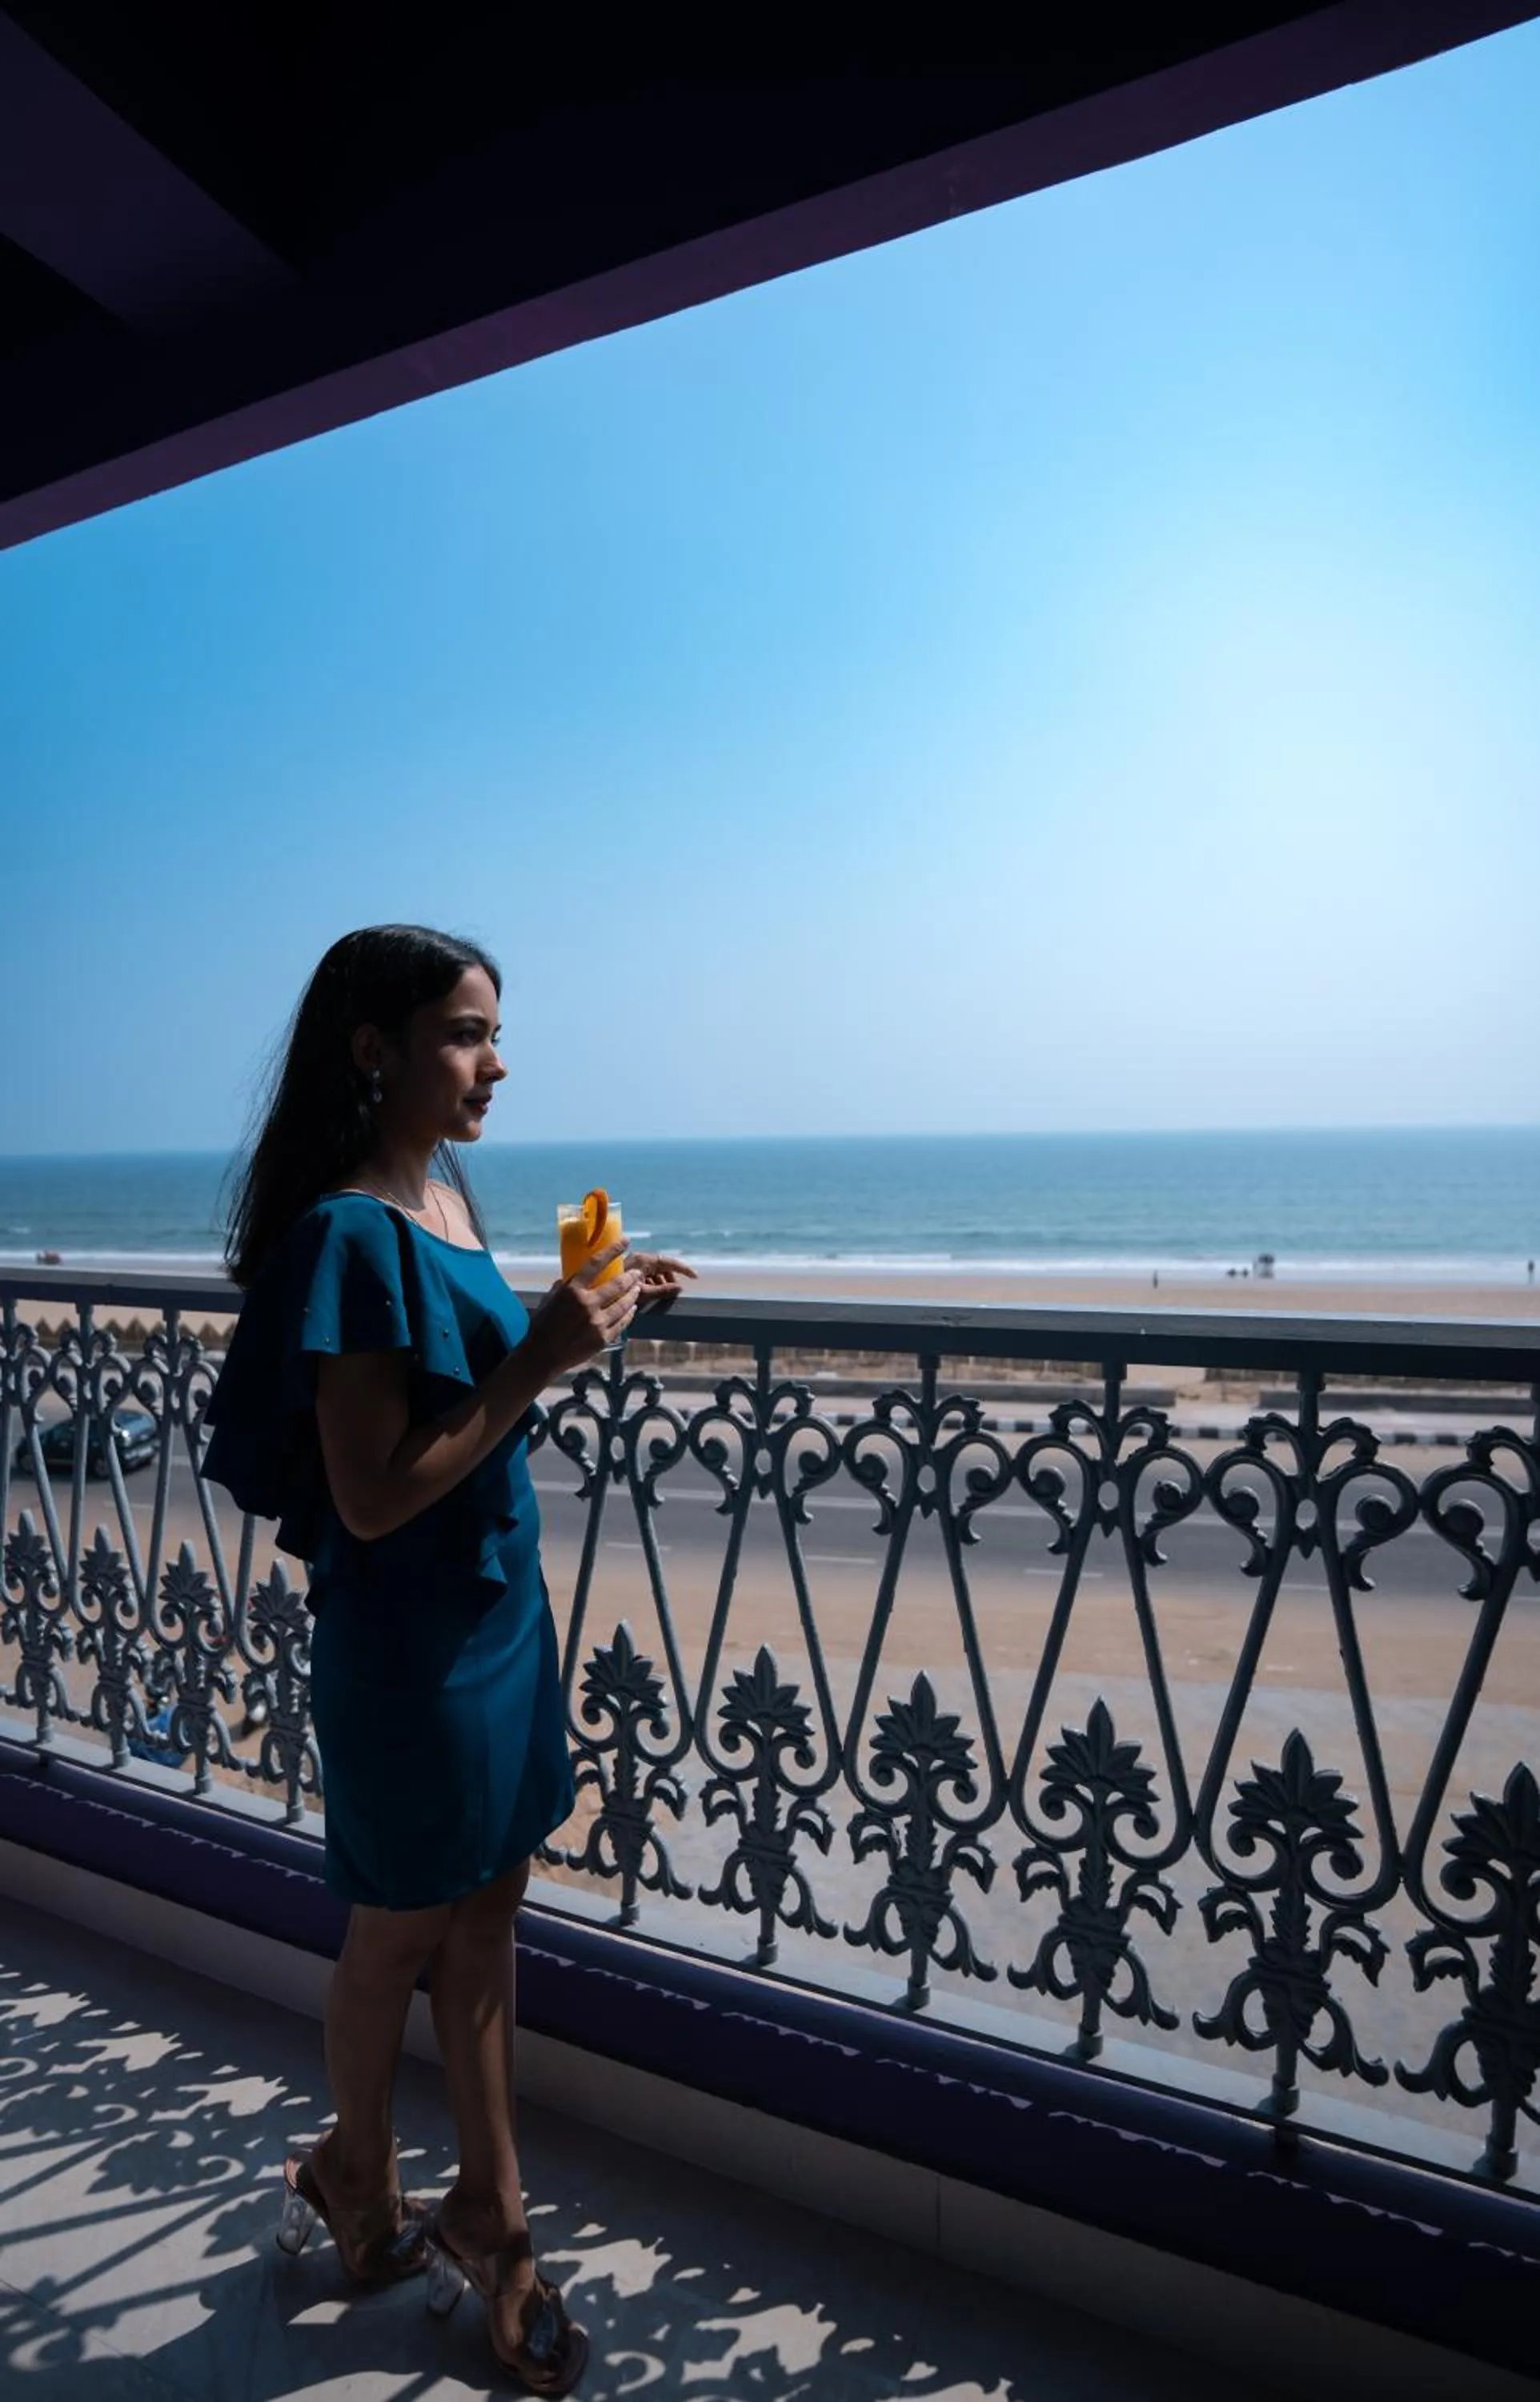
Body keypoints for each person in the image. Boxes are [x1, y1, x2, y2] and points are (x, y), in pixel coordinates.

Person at [202, 924, 692, 2395]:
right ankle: (362, 2171)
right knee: (400, 1928)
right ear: (377, 1050)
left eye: (495, 1033)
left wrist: (595, 1310)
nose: (497, 1063)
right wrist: (544, 1355)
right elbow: (372, 1494)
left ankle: (485, 2202)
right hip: (410, 1639)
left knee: (488, 1918)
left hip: (496, 1607)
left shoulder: (446, 1194)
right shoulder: (352, 1233)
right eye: (468, 1035)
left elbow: (470, 1375)